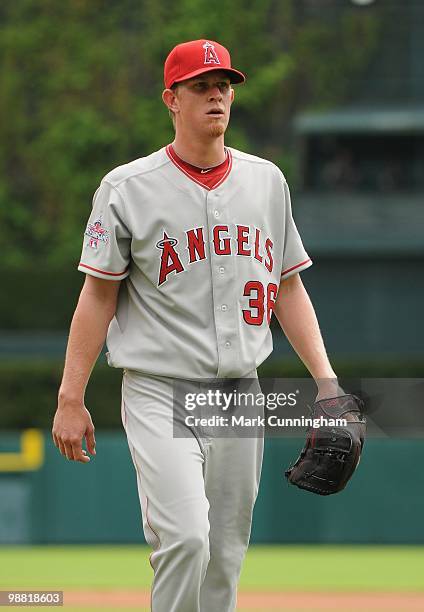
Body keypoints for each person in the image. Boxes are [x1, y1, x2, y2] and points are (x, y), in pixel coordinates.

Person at [52, 39, 339, 612]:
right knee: (185, 539)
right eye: (201, 86)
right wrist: (70, 396)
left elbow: (287, 287)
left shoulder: (267, 182)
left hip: (240, 393)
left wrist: (327, 381)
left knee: (226, 555)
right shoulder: (127, 187)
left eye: (224, 85)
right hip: (161, 389)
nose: (216, 95)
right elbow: (97, 293)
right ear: (171, 100)